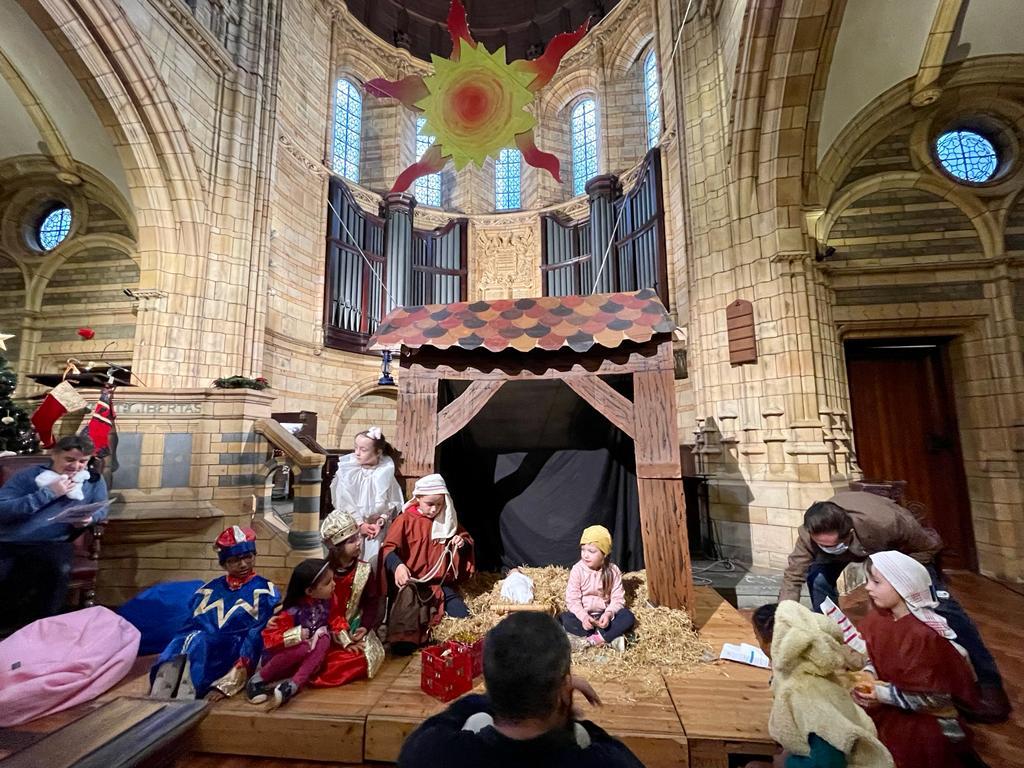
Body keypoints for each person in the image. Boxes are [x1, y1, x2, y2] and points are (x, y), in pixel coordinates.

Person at [779, 492, 1007, 721]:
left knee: (944, 606)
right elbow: (793, 576)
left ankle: (988, 682)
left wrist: (897, 578)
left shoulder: (887, 522)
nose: (829, 547)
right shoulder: (809, 534)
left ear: (848, 533)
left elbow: (929, 547)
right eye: (823, 544)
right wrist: (782, 619)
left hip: (899, 553)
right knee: (818, 581)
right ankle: (837, 655)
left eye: (834, 544)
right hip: (853, 553)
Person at [398, 612, 645, 768]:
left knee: (477, 719)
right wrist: (566, 709)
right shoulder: (601, 761)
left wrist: (499, 690)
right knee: (581, 734)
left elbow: (438, 726)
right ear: (562, 692)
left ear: (490, 681)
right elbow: (614, 753)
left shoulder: (434, 753)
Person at [853, 551, 989, 768]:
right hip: (895, 705)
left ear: (903, 586)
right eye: (868, 580)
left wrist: (881, 693)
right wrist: (870, 672)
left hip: (927, 721)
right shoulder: (881, 619)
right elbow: (877, 655)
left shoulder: (923, 636)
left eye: (876, 582)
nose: (867, 587)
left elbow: (935, 698)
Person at [744, 602, 892, 768]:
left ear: (773, 645)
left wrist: (785, 764)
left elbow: (828, 762)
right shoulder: (812, 670)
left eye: (757, 637)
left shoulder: (804, 694)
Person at [150, 526, 279, 700]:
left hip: (233, 650)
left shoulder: (265, 591)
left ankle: (186, 697)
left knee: (197, 642)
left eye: (248, 557)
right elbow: (190, 625)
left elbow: (255, 636)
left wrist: (227, 684)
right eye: (234, 560)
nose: (243, 564)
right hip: (203, 644)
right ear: (224, 563)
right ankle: (162, 692)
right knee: (185, 640)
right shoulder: (209, 590)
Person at [0, 434, 109, 624]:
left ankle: (43, 625)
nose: (76, 466)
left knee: (57, 569)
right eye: (69, 459)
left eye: (82, 461)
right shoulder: (28, 476)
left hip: (53, 542)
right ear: (54, 455)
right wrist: (49, 493)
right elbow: (3, 509)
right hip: (10, 540)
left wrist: (89, 519)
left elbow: (102, 510)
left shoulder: (93, 481)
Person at [381, 473, 474, 650]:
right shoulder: (405, 520)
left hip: (439, 587)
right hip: (412, 587)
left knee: (464, 622)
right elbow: (388, 549)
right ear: (418, 499)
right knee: (404, 644)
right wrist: (398, 566)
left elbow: (466, 540)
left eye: (439, 504)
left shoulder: (446, 520)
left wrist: (461, 543)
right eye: (430, 504)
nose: (434, 510)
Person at [308, 509, 385, 686]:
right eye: (352, 541)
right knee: (316, 653)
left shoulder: (364, 570)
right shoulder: (322, 572)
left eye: (358, 537)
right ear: (337, 548)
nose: (359, 543)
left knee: (362, 656)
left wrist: (364, 627)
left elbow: (371, 602)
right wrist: (333, 631)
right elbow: (316, 607)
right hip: (326, 629)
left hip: (354, 627)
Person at [247, 557, 334, 709]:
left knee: (324, 638)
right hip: (283, 657)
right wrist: (296, 635)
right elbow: (271, 639)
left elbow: (335, 620)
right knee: (302, 647)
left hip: (306, 660)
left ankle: (293, 684)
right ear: (310, 591)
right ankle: (258, 679)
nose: (334, 584)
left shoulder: (326, 602)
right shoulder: (293, 611)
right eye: (328, 583)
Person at [330, 427, 404, 572]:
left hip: (376, 530)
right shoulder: (348, 471)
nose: (357, 453)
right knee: (349, 564)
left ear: (378, 452)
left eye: (363, 449)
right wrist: (360, 524)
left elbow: (393, 500)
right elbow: (343, 502)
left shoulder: (384, 472)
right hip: (351, 528)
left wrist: (382, 519)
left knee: (372, 564)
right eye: (356, 448)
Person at [560, 525, 634, 652]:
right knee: (564, 618)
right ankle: (608, 638)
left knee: (627, 616)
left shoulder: (613, 571)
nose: (585, 555)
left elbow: (618, 600)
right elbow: (572, 600)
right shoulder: (577, 570)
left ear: (604, 554)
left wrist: (609, 614)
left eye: (591, 551)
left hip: (604, 617)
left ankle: (593, 639)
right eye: (583, 549)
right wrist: (584, 617)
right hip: (583, 617)